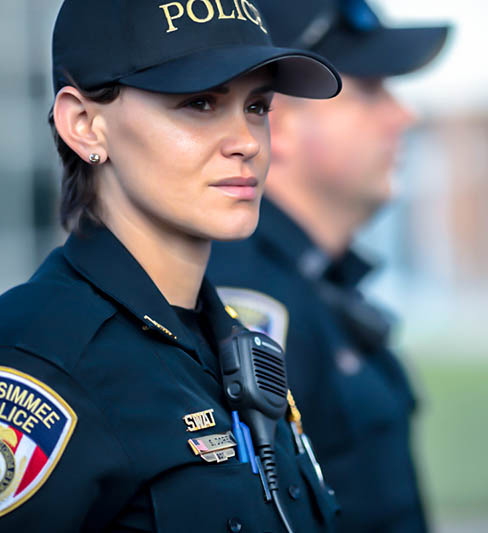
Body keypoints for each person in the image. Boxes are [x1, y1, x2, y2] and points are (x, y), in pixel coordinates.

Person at [0, 0, 343, 530]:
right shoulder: (41, 356)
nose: (247, 143)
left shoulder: (229, 340)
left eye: (257, 106)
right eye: (200, 103)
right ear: (85, 125)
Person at [207, 1, 450, 531]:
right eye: (369, 91)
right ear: (280, 124)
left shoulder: (312, 281)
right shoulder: (247, 299)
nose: (404, 115)